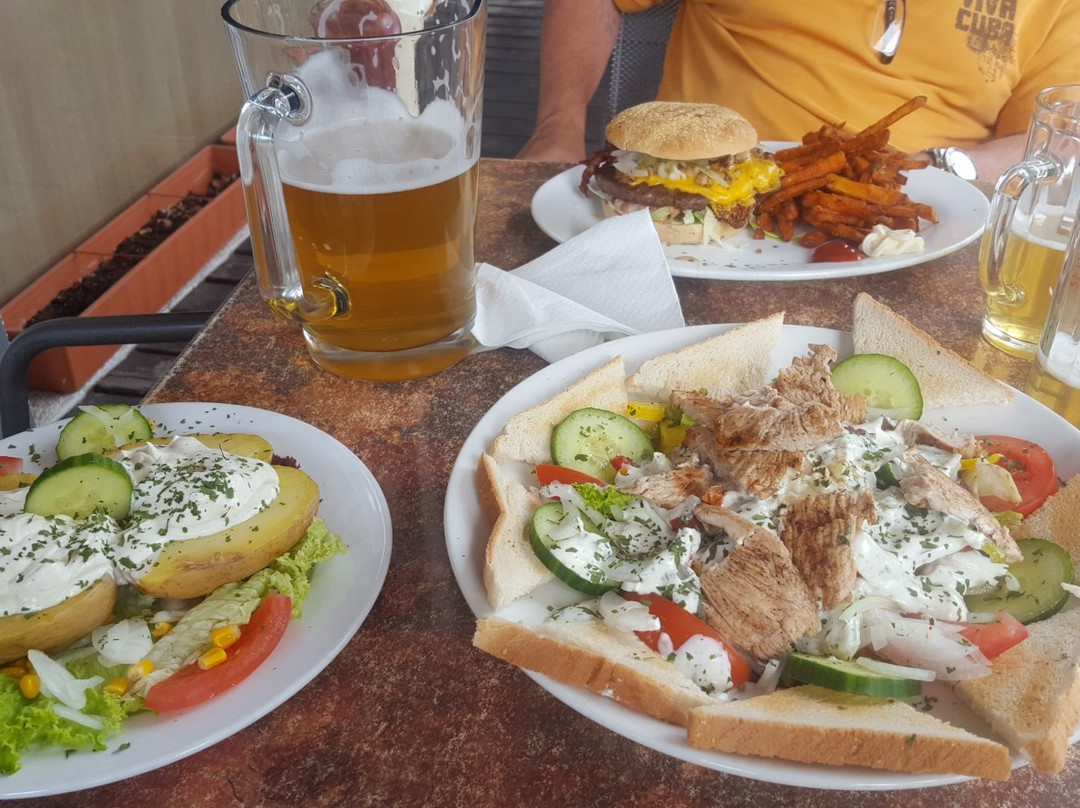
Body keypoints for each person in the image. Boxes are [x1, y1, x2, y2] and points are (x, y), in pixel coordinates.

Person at [517, 0, 1080, 180]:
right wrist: (557, 130)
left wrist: (939, 170)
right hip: (702, 189)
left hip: (918, 215)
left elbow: (1057, 137)